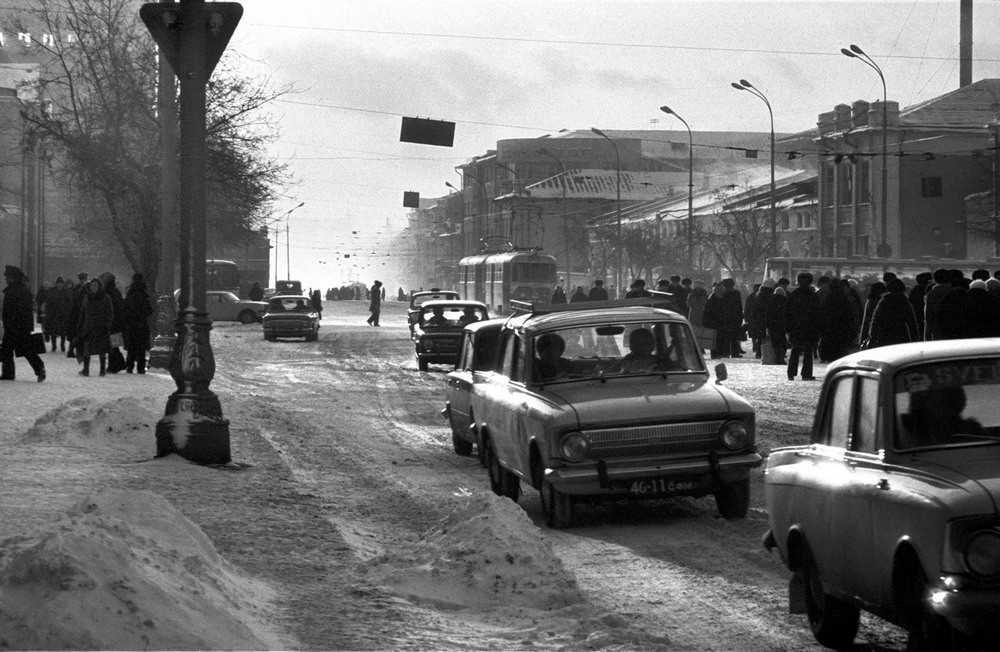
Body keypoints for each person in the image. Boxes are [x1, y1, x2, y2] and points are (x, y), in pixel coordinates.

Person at [1, 265, 46, 382]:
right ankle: (39, 367)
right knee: (24, 349)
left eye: (7, 277)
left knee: (9, 350)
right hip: (19, 326)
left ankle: (9, 373)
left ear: (13, 277)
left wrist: (11, 322)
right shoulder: (22, 289)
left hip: (15, 326)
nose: (6, 279)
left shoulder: (15, 290)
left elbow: (19, 310)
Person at [786, 272, 821, 381]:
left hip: (795, 328)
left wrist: (788, 328)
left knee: (795, 350)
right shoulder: (813, 296)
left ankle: (791, 373)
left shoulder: (793, 295)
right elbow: (817, 314)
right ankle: (806, 374)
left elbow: (787, 313)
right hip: (809, 328)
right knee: (808, 351)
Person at [76, 278, 113, 377]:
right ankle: (86, 370)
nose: (94, 287)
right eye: (92, 285)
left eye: (96, 285)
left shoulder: (106, 298)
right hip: (89, 326)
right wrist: (80, 325)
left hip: (101, 326)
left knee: (102, 349)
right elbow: (82, 313)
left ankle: (102, 370)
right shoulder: (86, 298)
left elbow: (110, 313)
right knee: (87, 348)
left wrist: (107, 325)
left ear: (99, 286)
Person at [869, 278, 919, 347]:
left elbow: (876, 319)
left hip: (885, 333)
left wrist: (873, 335)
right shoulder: (904, 302)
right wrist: (915, 337)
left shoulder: (884, 301)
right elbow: (911, 321)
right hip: (901, 333)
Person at [122, 274, 153, 374]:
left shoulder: (130, 293)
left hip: (131, 324)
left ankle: (129, 367)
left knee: (131, 346)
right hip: (142, 323)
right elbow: (149, 311)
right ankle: (140, 367)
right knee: (141, 347)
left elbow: (125, 309)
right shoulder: (144, 294)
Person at [101, 272, 126, 373]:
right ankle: (118, 364)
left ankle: (115, 365)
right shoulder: (115, 292)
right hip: (116, 322)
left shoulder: (107, 293)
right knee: (113, 345)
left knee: (111, 345)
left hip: (111, 322)